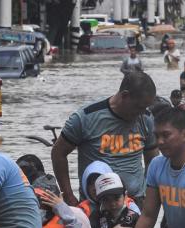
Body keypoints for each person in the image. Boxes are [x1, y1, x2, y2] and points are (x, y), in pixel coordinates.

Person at [52, 71, 158, 208]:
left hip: (136, 203)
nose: (141, 113)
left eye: (145, 108)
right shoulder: (85, 117)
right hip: (96, 204)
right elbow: (58, 153)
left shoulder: (147, 119)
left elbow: (153, 161)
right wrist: (69, 196)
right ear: (125, 96)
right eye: (138, 107)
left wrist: (149, 197)